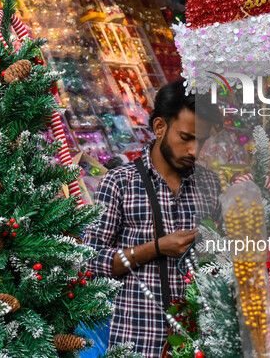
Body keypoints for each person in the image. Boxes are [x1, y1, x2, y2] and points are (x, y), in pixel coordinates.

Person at [84, 81, 222, 356]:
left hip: (196, 345)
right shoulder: (119, 182)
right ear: (160, 127)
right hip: (137, 341)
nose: (195, 151)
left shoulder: (210, 184)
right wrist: (155, 248)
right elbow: (89, 261)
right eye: (186, 137)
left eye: (202, 140)